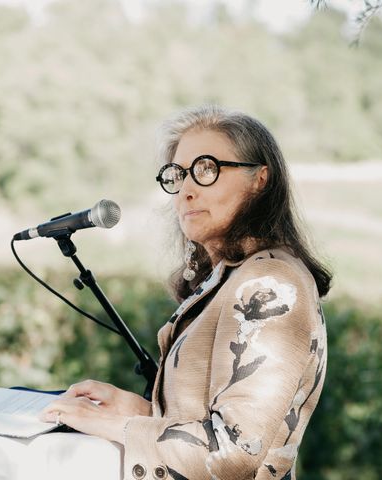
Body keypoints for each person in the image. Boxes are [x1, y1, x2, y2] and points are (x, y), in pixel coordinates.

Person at [40, 105, 332, 479]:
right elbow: (201, 424)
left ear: (260, 179)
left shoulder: (270, 283)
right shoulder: (233, 275)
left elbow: (233, 450)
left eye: (207, 169)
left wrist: (115, 427)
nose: (187, 190)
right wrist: (134, 410)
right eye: (178, 175)